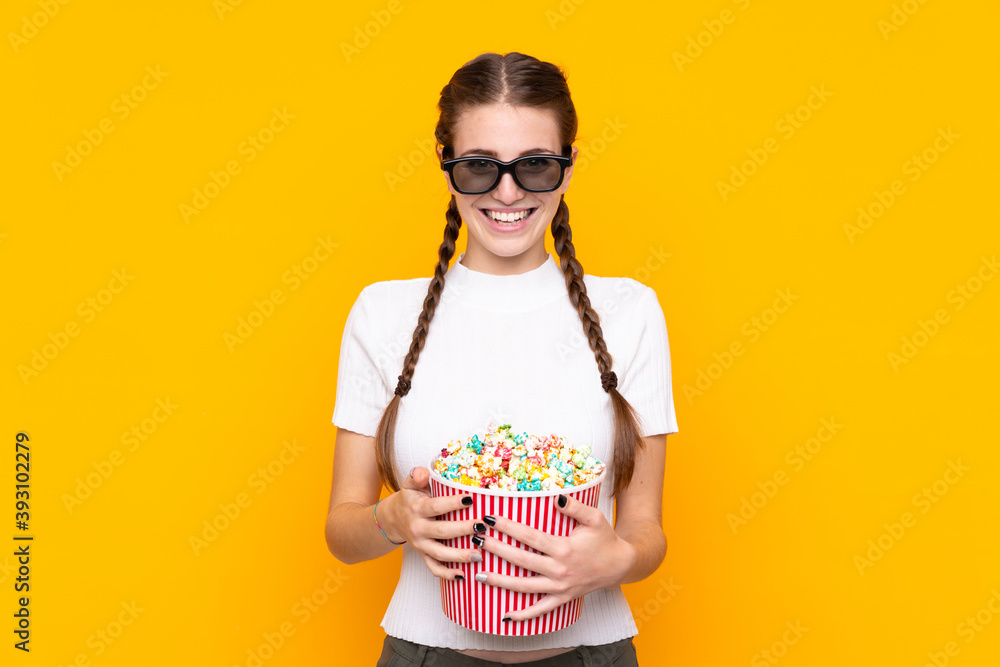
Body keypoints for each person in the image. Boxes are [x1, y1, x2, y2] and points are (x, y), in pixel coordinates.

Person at [326, 51, 678, 666]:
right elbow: (341, 531)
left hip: (592, 654)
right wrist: (392, 518)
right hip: (426, 655)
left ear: (567, 169)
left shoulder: (630, 312)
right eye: (480, 167)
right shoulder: (383, 314)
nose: (508, 193)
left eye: (535, 166)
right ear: (446, 166)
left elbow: (646, 527)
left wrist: (618, 558)